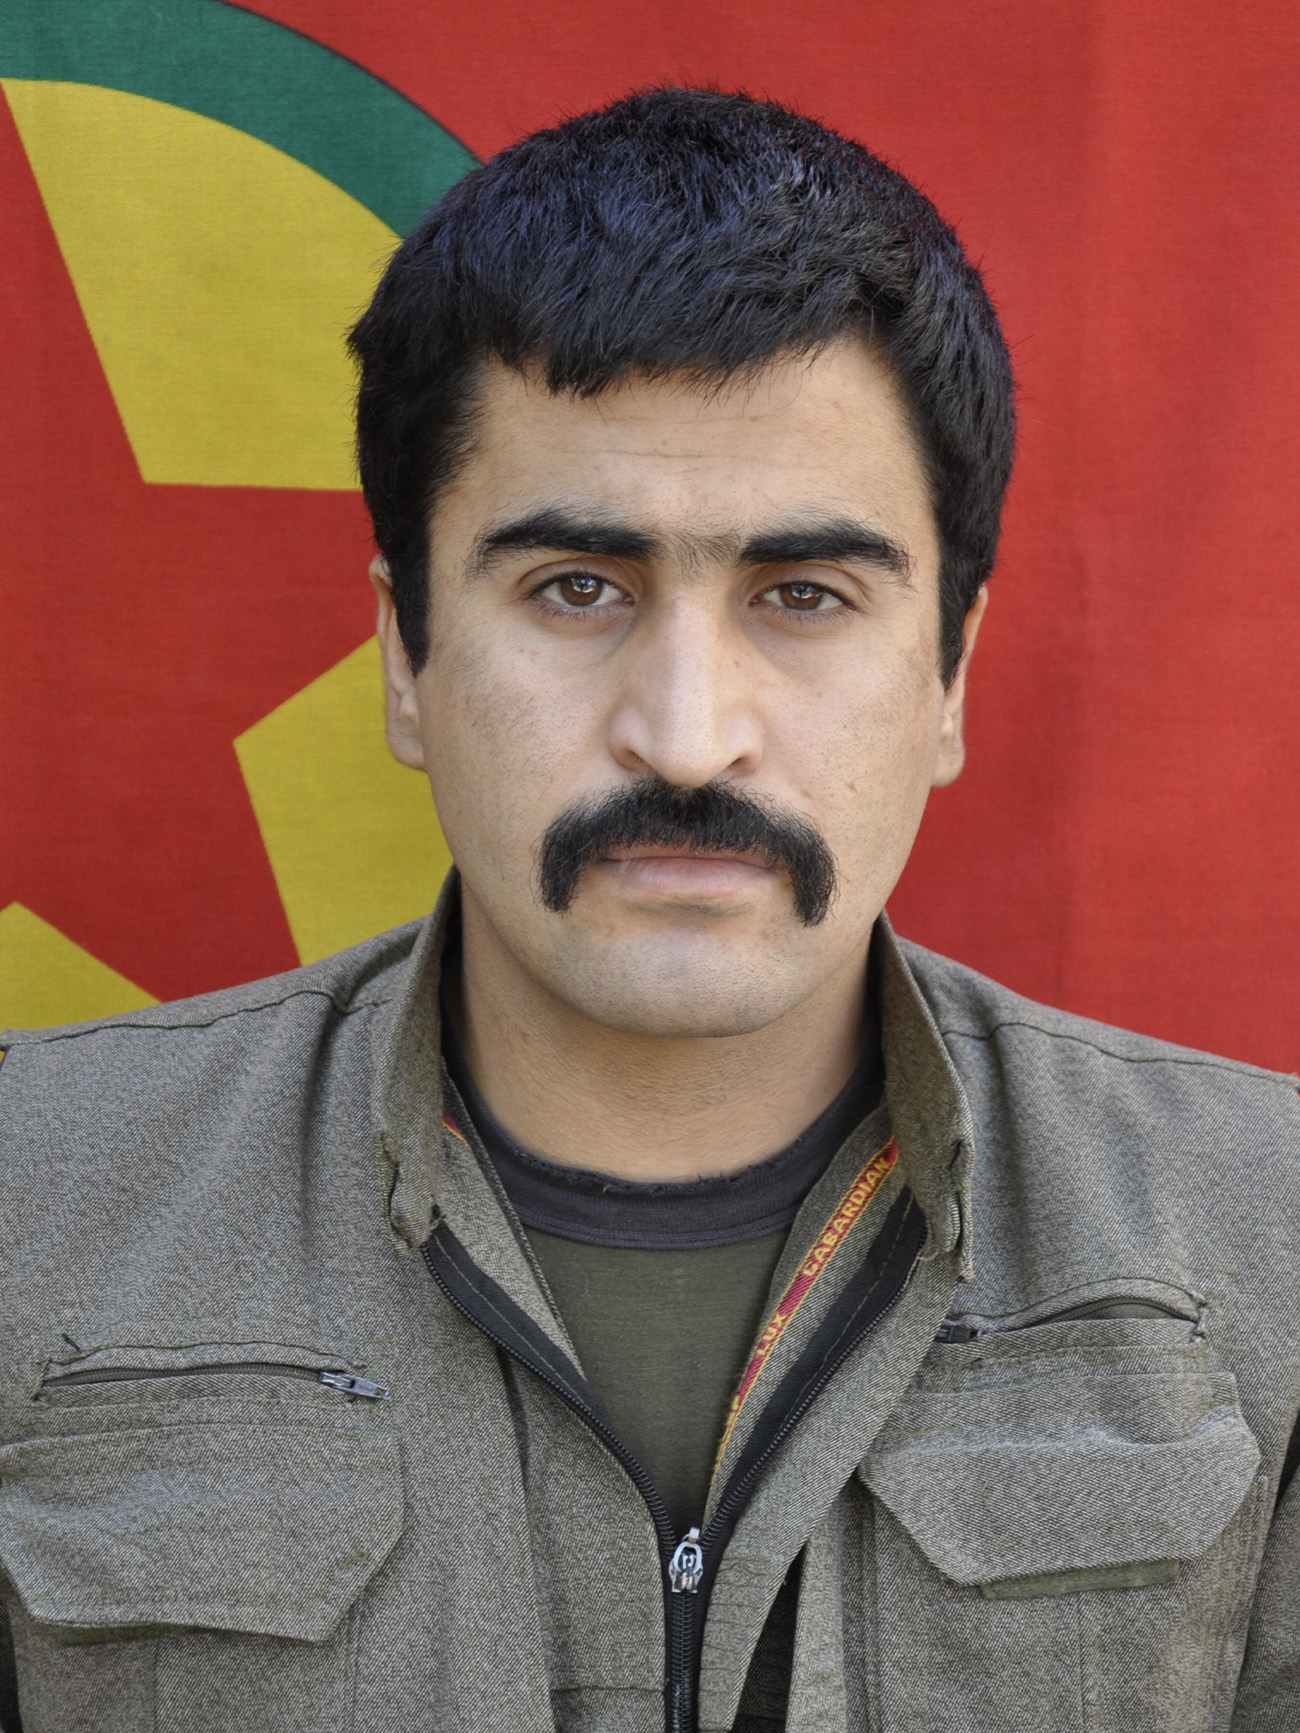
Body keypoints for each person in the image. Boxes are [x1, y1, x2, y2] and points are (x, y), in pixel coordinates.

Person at [0, 86, 1296, 1733]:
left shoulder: (1271, 1240)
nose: (686, 734)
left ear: (952, 672)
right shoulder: (29, 1214)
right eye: (576, 588)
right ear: (404, 657)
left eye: (803, 594)